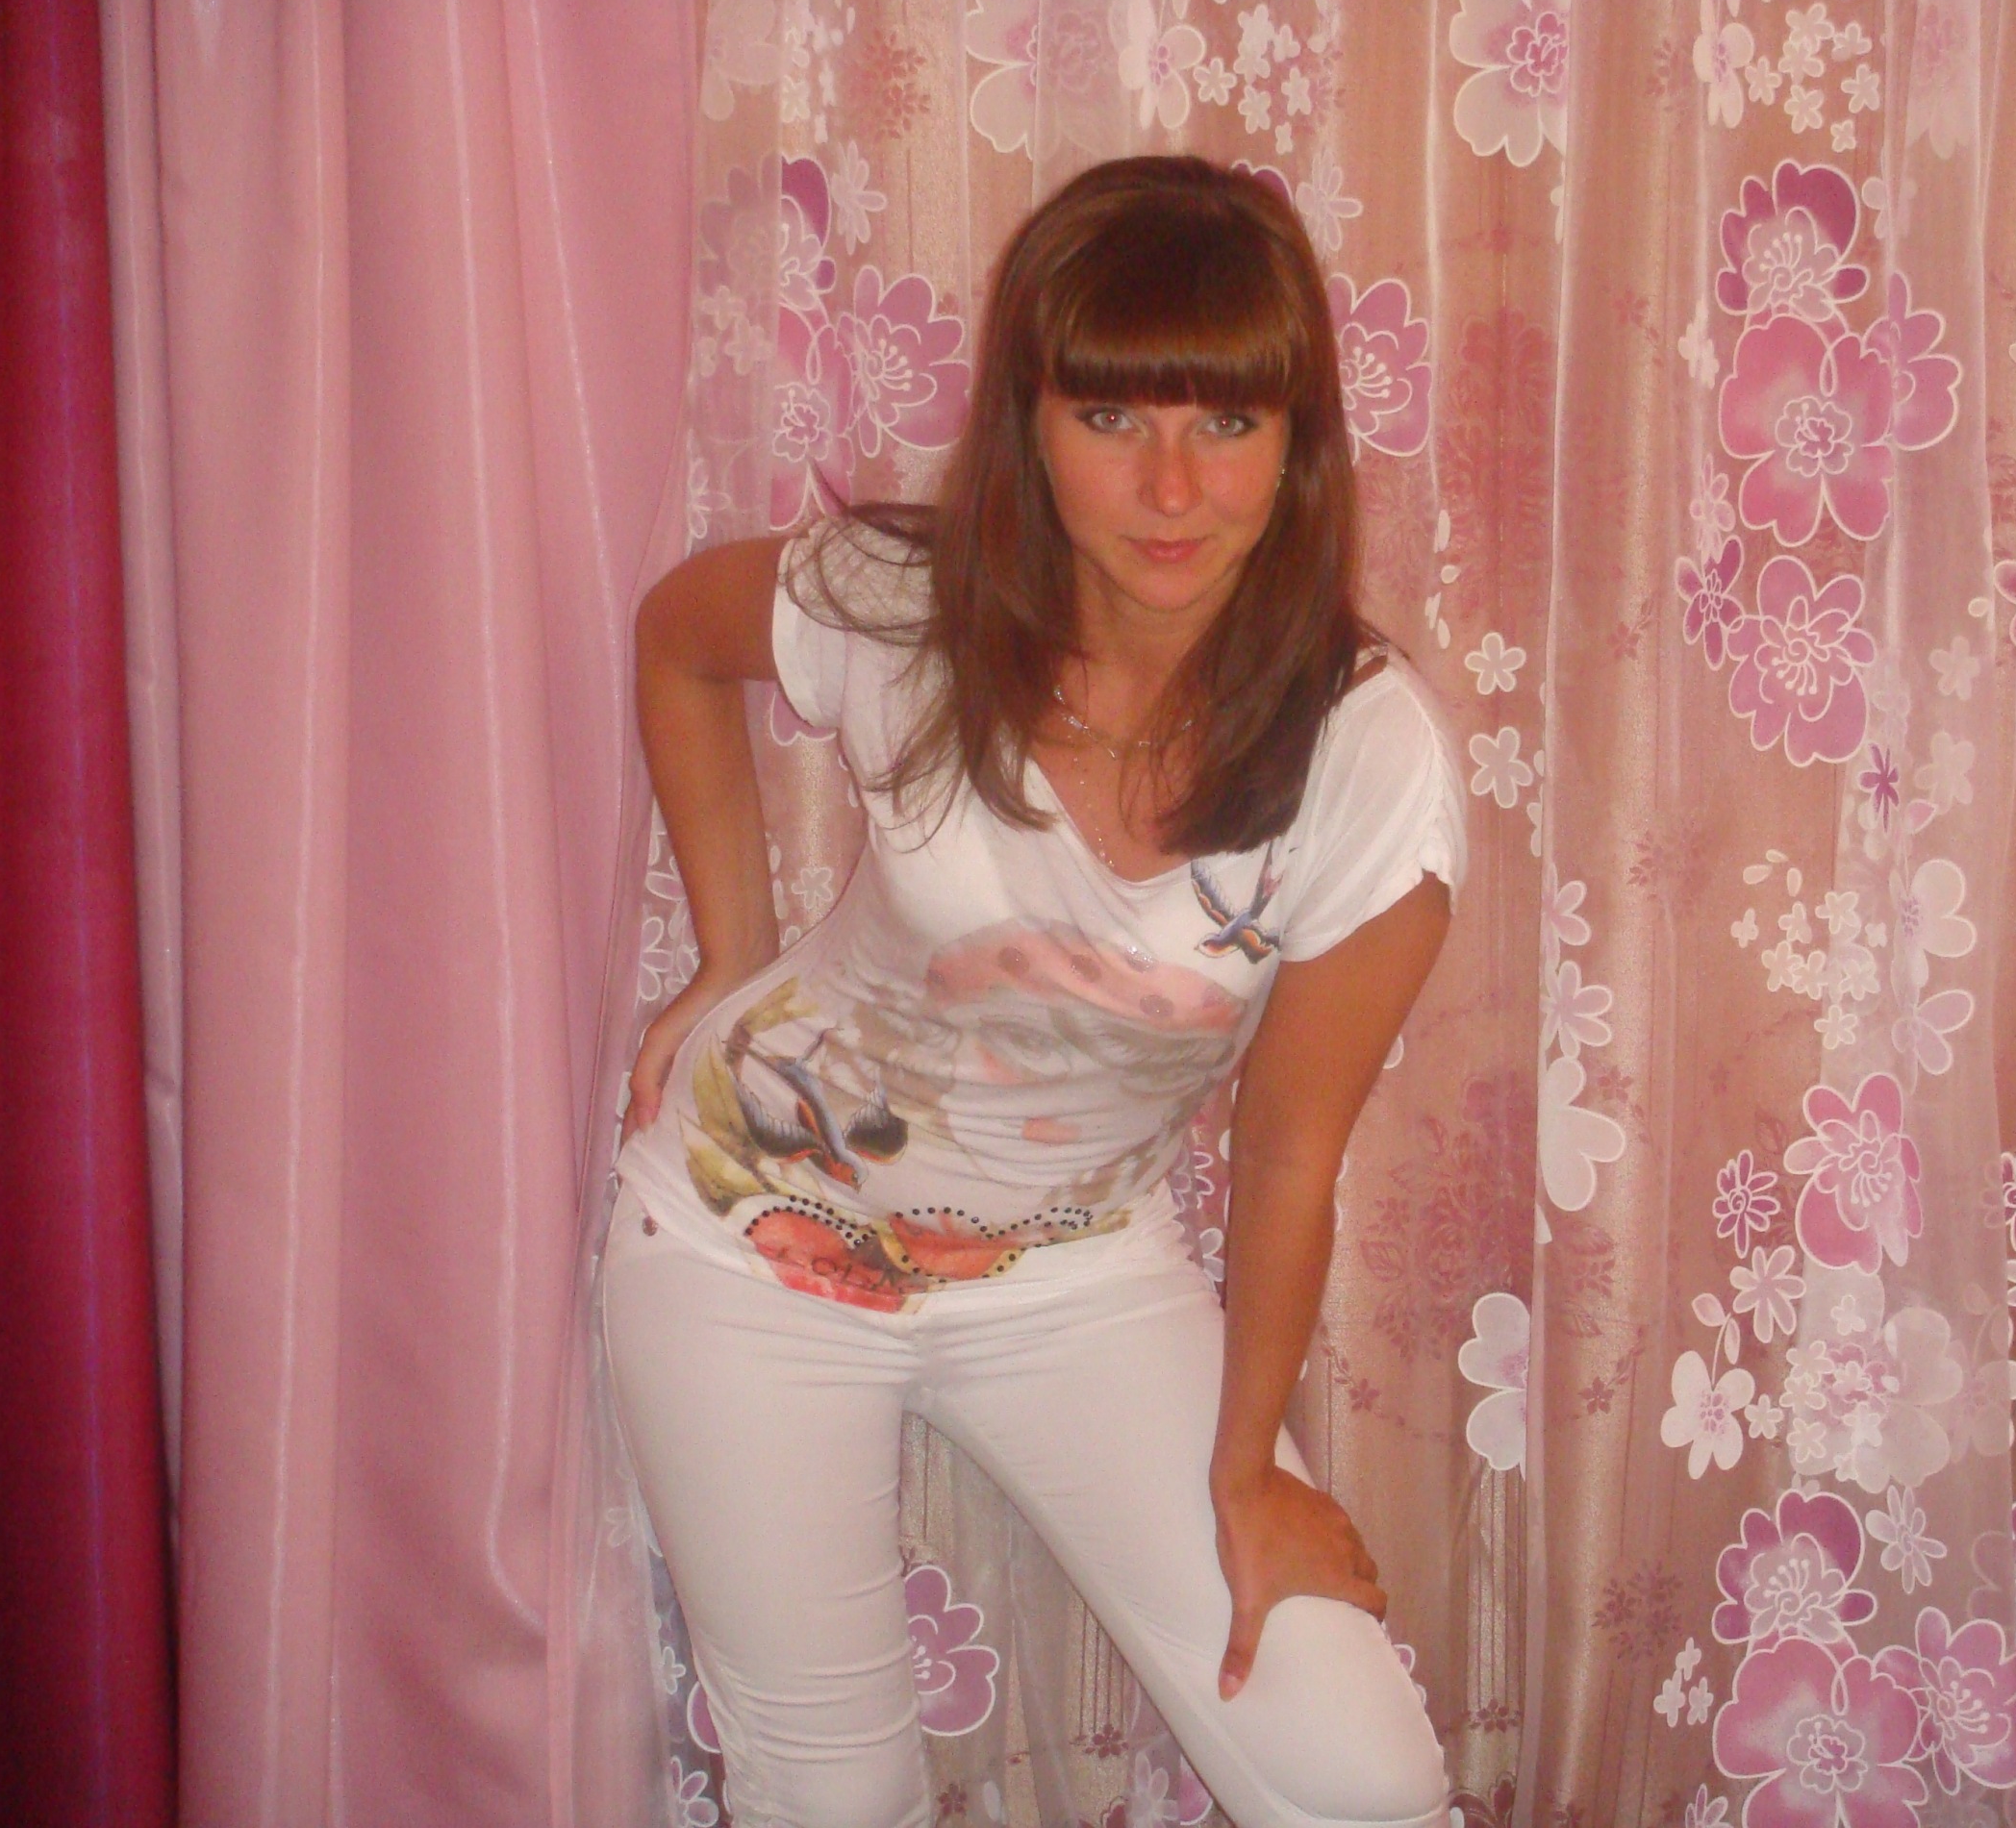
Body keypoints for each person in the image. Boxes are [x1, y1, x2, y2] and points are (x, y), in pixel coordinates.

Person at [608, 154, 1463, 1828]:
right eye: (1112, 415)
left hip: (1076, 1271)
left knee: (1360, 1782)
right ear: (1031, 421)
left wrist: (1245, 1472)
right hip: (745, 1235)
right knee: (832, 1802)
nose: (1171, 486)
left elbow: (1292, 1151)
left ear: (1297, 447)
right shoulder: (903, 609)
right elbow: (677, 639)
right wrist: (727, 947)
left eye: (1227, 422)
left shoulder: (1368, 754)